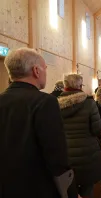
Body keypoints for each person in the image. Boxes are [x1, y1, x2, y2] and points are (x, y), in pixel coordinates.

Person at [0, 47, 73, 198]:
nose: (46, 72)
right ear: (36, 71)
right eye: (45, 68)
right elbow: (56, 154)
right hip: (37, 187)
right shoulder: (45, 102)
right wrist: (71, 192)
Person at [58, 74, 101, 198]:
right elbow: (98, 129)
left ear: (65, 86)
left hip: (65, 153)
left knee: (68, 189)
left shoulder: (55, 104)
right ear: (79, 86)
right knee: (87, 188)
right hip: (87, 154)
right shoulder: (89, 103)